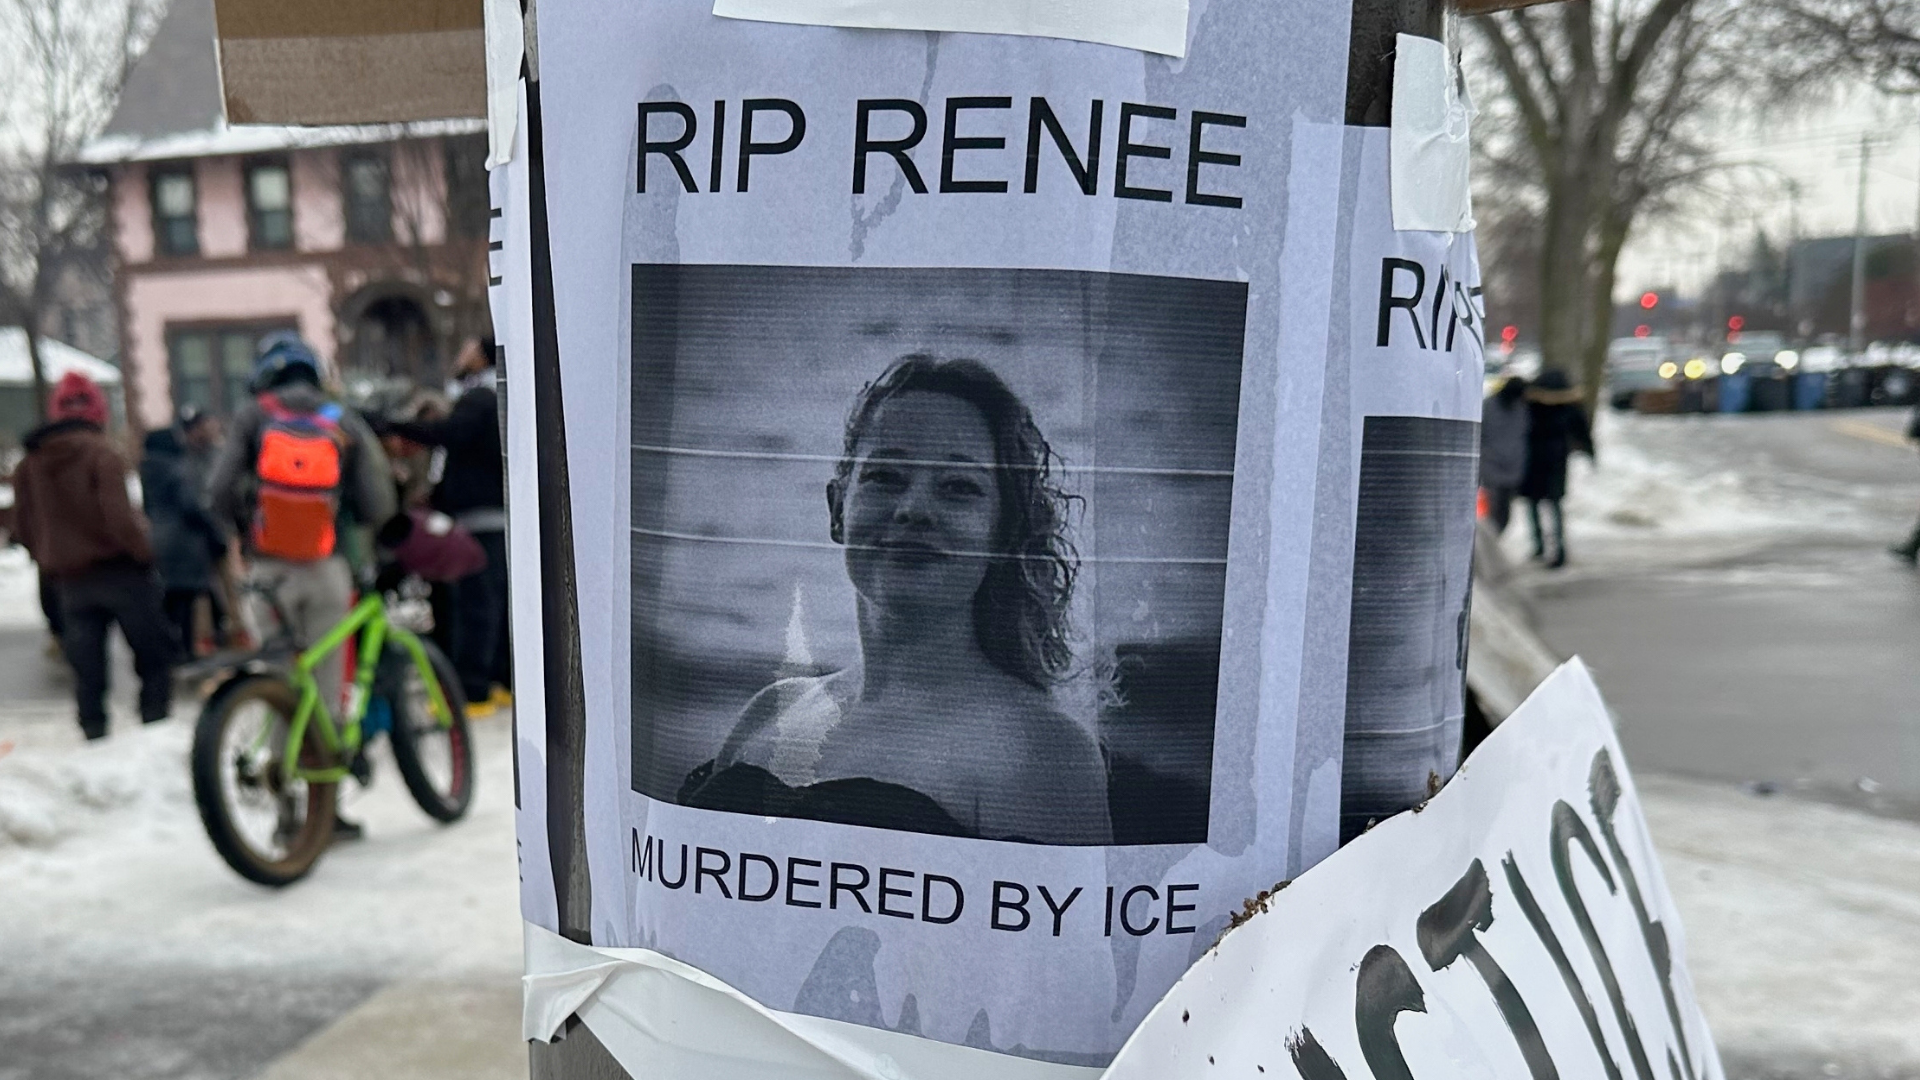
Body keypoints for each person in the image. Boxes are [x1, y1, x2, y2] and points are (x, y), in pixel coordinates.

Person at [677, 355, 1112, 844]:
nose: (914, 510)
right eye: (885, 477)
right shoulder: (772, 711)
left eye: (958, 487)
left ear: (1004, 531)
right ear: (837, 510)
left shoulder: (1042, 750)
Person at [207, 333, 395, 834]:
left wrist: (249, 530)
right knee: (324, 689)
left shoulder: (252, 416)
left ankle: (287, 817)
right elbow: (377, 501)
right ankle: (325, 816)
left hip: (267, 574)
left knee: (279, 682)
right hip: (325, 570)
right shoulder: (340, 419)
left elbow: (219, 489)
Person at [13, 372, 177, 740]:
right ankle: (154, 732)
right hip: (121, 573)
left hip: (69, 580)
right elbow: (119, 518)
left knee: (87, 669)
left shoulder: (31, 463)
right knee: (153, 657)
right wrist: (145, 552)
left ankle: (94, 735)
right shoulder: (101, 453)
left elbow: (22, 525)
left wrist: (49, 555)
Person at [374, 336, 511, 715]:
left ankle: (472, 692)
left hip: (478, 520)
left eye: (467, 348)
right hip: (492, 518)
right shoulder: (497, 398)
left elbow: (448, 434)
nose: (459, 354)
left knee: (476, 606)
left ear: (482, 355)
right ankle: (501, 682)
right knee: (495, 603)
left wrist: (394, 426)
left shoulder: (479, 398)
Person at [140, 407, 229, 656]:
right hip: (184, 541)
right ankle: (186, 652)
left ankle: (171, 649)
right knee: (188, 599)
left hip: (159, 539)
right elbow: (191, 506)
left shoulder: (148, 470)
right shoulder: (177, 469)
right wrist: (214, 533)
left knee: (170, 598)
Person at [1519, 368, 1594, 569]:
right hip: (1556, 459)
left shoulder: (1531, 405)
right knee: (1554, 505)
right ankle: (1559, 550)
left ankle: (1539, 545)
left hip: (1534, 458)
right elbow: (1581, 430)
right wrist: (1590, 451)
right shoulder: (1570, 406)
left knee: (1534, 504)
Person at [1479, 374, 1529, 536]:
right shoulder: (1490, 406)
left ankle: (1495, 537)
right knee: (1493, 508)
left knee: (1504, 510)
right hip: (1493, 464)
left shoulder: (1521, 407)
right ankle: (1492, 538)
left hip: (1509, 465)